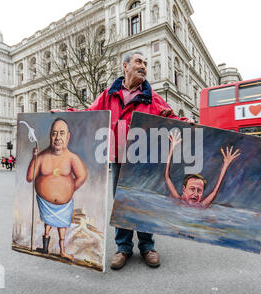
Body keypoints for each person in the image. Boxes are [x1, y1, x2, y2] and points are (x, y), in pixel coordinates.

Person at [56, 51, 194, 270]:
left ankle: (147, 247)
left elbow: (170, 117)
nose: (144, 66)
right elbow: (89, 114)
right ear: (125, 66)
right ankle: (123, 248)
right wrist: (64, 114)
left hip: (144, 159)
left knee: (143, 202)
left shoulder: (152, 96)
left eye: (146, 63)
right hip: (119, 158)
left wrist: (186, 122)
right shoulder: (108, 95)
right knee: (121, 203)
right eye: (139, 61)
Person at [26, 118, 88, 261]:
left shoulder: (72, 158)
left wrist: (69, 189)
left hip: (64, 205)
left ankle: (63, 251)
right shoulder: (41, 157)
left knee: (62, 228)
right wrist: (34, 158)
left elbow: (82, 176)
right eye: (54, 133)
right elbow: (30, 177)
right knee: (47, 225)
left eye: (61, 133)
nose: (57, 138)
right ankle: (45, 247)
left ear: (68, 136)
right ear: (50, 136)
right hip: (45, 202)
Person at [165, 130, 241, 209]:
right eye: (192, 189)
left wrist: (225, 165)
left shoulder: (202, 205)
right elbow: (167, 177)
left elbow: (215, 191)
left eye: (199, 191)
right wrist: (172, 148)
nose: (195, 194)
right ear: (184, 189)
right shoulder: (179, 201)